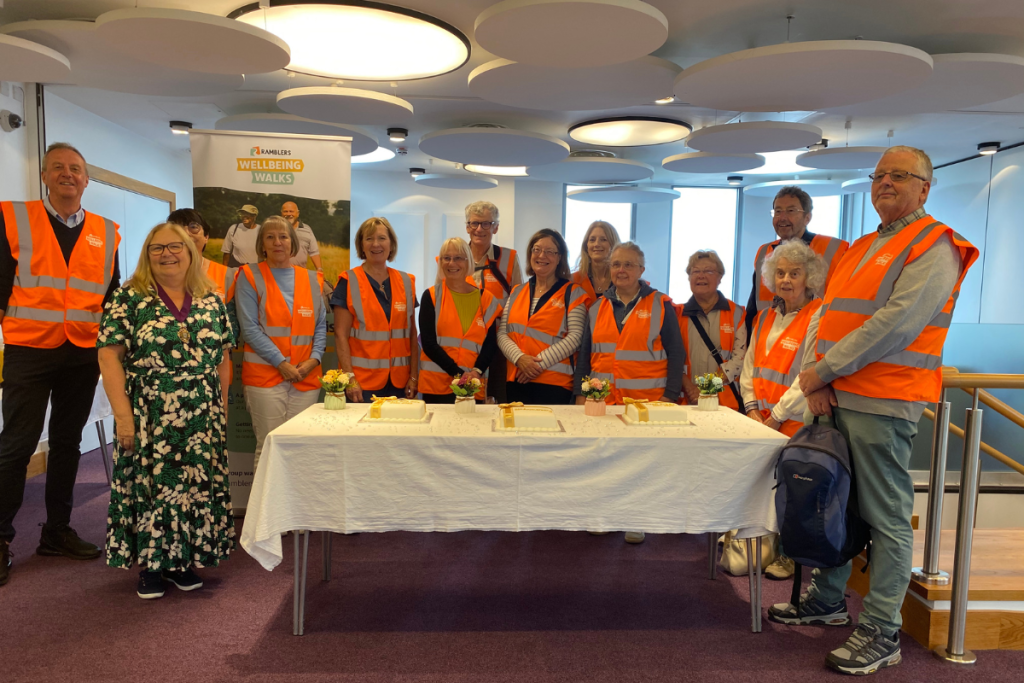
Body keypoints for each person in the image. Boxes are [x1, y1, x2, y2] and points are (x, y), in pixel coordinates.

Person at [769, 146, 979, 676]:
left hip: (885, 400)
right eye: (879, 175)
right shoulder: (863, 244)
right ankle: (829, 599)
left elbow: (897, 324)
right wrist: (815, 378)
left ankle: (882, 630)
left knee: (886, 516)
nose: (885, 182)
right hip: (836, 395)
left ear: (925, 188)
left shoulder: (937, 245)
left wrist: (824, 372)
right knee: (837, 502)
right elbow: (826, 318)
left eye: (900, 176)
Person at [0, 142, 121, 587]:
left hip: (81, 351)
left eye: (76, 169)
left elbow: (110, 295)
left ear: (87, 180)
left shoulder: (107, 231)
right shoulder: (12, 217)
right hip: (29, 349)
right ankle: (0, 538)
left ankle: (57, 531)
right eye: (58, 168)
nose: (68, 174)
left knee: (68, 442)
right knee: (17, 445)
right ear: (45, 177)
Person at [97, 222, 235, 600]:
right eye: (157, 248)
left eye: (176, 247)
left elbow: (223, 358)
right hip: (150, 412)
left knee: (192, 488)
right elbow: (109, 357)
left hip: (201, 413)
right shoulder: (129, 299)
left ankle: (182, 562)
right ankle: (152, 566)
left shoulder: (211, 299)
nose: (167, 254)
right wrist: (123, 417)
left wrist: (219, 406)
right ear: (146, 255)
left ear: (191, 253)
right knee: (153, 488)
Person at [573, 242, 683, 546]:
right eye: (616, 264)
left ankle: (637, 518)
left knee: (640, 463)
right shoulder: (596, 307)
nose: (621, 270)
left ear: (641, 271)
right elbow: (584, 356)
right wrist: (579, 393)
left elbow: (676, 353)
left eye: (628, 265)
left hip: (646, 401)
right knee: (604, 459)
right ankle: (603, 514)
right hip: (602, 401)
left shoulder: (661, 304)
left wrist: (670, 396)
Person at [739, 239, 826, 581]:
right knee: (762, 488)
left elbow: (808, 375)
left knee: (794, 492)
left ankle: (790, 555)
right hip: (759, 420)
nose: (786, 280)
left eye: (795, 273)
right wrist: (749, 408)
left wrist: (775, 416)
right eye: (780, 273)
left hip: (794, 421)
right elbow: (750, 367)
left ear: (810, 277)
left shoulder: (818, 315)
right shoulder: (763, 318)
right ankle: (761, 545)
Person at [236, 217, 327, 471]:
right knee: (270, 446)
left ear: (293, 243)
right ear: (262, 244)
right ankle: (265, 511)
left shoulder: (312, 279)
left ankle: (296, 509)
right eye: (270, 237)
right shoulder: (249, 276)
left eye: (284, 237)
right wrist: (281, 363)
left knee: (301, 446)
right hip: (266, 377)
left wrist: (314, 359)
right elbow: (250, 328)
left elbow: (320, 326)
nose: (278, 242)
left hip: (306, 378)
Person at [744, 186, 848, 339]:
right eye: (778, 211)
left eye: (791, 211)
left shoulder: (835, 249)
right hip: (767, 338)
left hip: (811, 339)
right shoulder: (764, 252)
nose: (782, 217)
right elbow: (753, 305)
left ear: (807, 217)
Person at [332, 217, 418, 403]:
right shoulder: (348, 281)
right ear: (361, 245)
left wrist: (414, 376)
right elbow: (340, 335)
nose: (376, 244)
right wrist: (350, 378)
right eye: (369, 238)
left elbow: (411, 335)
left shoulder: (407, 282)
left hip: (400, 383)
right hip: (362, 384)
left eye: (382, 238)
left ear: (391, 244)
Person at [498, 229, 587, 405]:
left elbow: (575, 337)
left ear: (559, 257)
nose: (542, 255)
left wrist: (537, 365)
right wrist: (520, 359)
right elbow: (502, 333)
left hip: (554, 383)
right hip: (516, 379)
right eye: (537, 249)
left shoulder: (574, 293)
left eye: (550, 251)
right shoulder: (517, 291)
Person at [419, 238, 503, 403]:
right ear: (441, 262)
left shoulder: (486, 300)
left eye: (458, 258)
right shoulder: (431, 296)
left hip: (473, 386)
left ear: (468, 261)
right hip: (436, 387)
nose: (452, 263)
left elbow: (491, 343)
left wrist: (476, 372)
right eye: (446, 258)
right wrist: (459, 374)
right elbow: (428, 343)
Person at [465, 201, 522, 403]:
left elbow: (519, 303)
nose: (479, 229)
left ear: (495, 227)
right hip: (465, 342)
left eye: (486, 224)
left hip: (499, 342)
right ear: (467, 227)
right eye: (474, 223)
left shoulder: (509, 258)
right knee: (466, 397)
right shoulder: (453, 258)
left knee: (497, 399)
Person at [675, 250, 746, 410]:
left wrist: (706, 388)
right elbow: (672, 358)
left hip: (725, 403)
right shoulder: (677, 314)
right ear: (689, 278)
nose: (701, 276)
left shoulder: (737, 313)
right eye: (695, 271)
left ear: (720, 277)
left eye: (708, 271)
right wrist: (690, 388)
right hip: (687, 401)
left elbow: (740, 359)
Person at [571, 220, 620, 309]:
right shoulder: (573, 280)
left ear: (613, 245)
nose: (597, 244)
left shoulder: (623, 279)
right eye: (592, 240)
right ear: (586, 245)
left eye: (603, 240)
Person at [281, 201, 323, 272]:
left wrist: (319, 269)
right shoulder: (276, 228)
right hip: (279, 273)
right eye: (285, 211)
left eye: (291, 211)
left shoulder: (307, 229)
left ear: (298, 213)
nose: (288, 214)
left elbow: (314, 252)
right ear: (281, 213)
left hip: (301, 273)